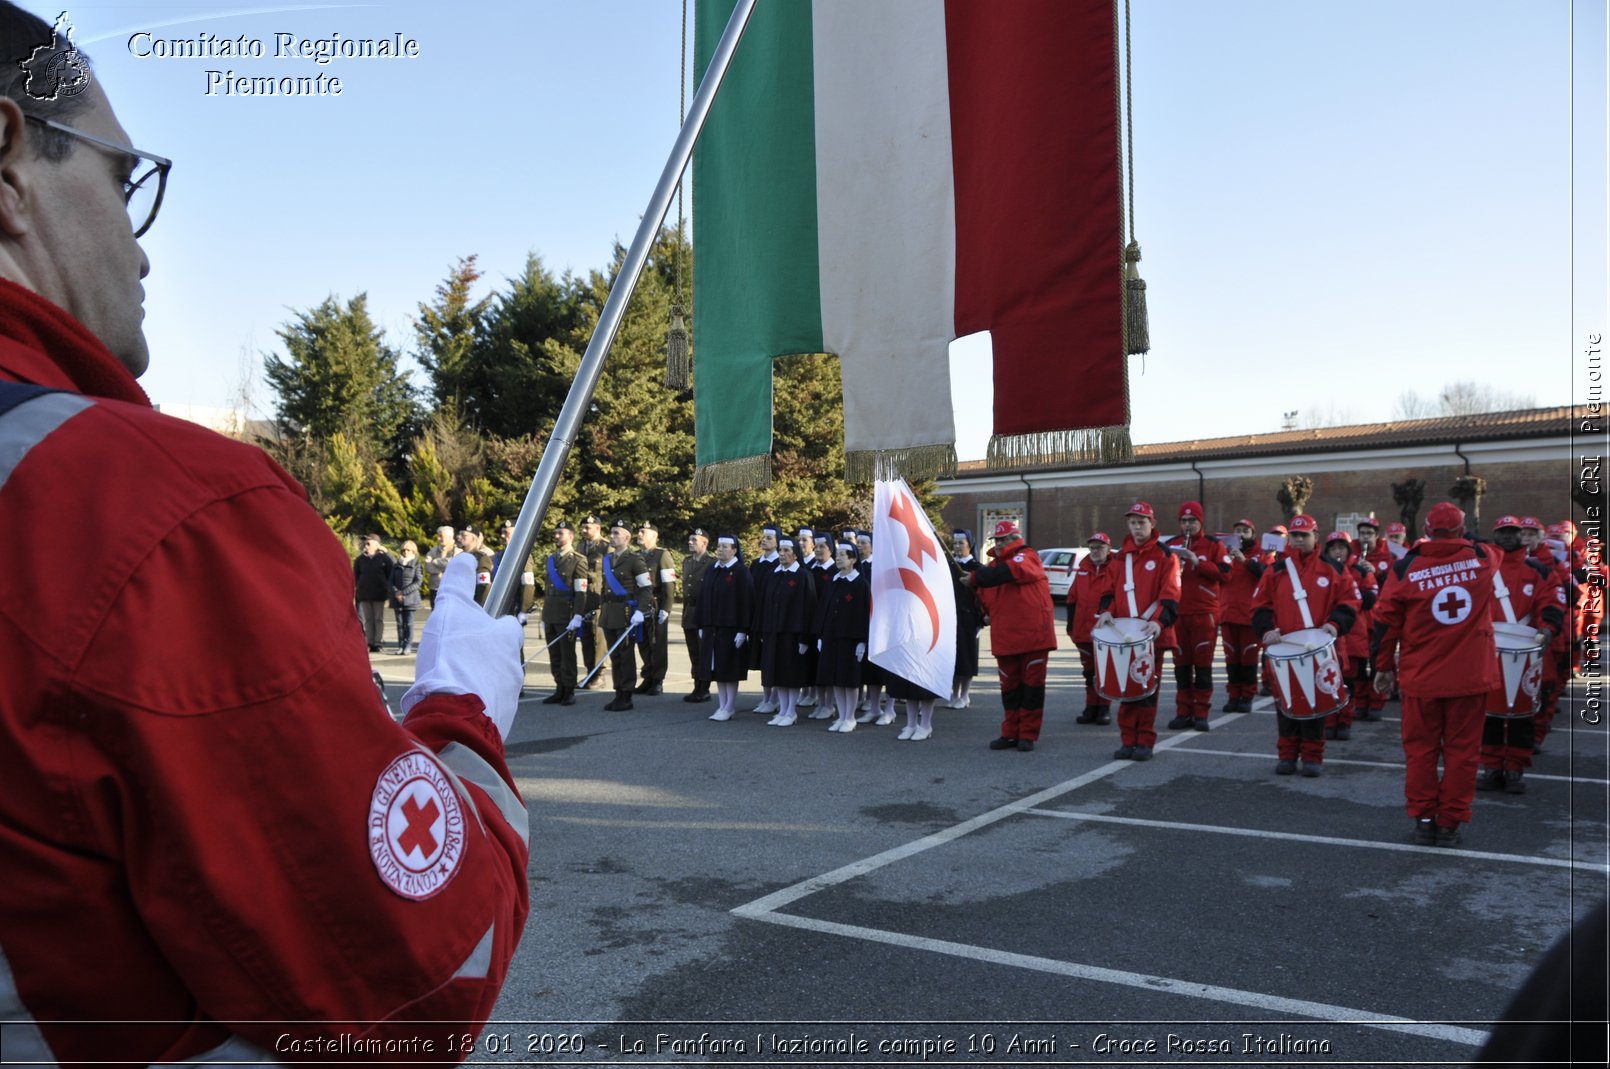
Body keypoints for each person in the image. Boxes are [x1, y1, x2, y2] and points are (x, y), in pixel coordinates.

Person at [0, 11, 528, 1059]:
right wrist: (463, 713)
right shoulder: (153, 514)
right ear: (9, 161)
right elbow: (419, 984)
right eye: (121, 180)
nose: (140, 247)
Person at [1372, 501, 1503, 846]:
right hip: (1470, 677)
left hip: (1421, 679)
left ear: (1426, 531)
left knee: (1421, 751)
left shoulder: (1404, 569)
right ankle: (1450, 824)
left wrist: (1383, 667)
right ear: (1461, 531)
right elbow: (1483, 543)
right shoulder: (1483, 559)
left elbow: (1385, 623)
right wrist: (1458, 539)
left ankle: (1424, 818)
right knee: (1463, 752)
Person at [1250, 515, 1359, 777]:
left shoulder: (1332, 568)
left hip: (1318, 650)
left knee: (1316, 705)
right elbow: (1259, 605)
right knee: (1286, 704)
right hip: (1284, 650)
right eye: (1295, 536)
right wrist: (1266, 630)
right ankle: (1287, 755)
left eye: (1304, 535)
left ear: (1315, 537)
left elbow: (1350, 602)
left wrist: (1335, 624)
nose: (1299, 540)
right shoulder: (1276, 570)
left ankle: (1312, 756)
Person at [1476, 515, 1564, 794]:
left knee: (1522, 716)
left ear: (1522, 537)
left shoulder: (1539, 571)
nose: (1507, 537)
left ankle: (1514, 770)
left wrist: (1549, 629)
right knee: (1488, 715)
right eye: (1502, 532)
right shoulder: (1482, 569)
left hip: (1527, 650)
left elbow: (1552, 603)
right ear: (1495, 535)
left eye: (1513, 532)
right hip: (1489, 650)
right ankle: (1491, 768)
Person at [1095, 502, 1182, 761]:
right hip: (1123, 636)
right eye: (1133, 522)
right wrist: (1107, 611)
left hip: (1150, 634)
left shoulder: (1165, 556)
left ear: (1152, 524)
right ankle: (1127, 741)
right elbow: (1108, 591)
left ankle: (1144, 741)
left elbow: (1171, 594)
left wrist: (1158, 622)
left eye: (1142, 522)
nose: (1137, 527)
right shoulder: (1120, 557)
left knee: (1146, 690)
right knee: (1125, 689)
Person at [964, 520, 1057, 752]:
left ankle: (1027, 734)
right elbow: (986, 600)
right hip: (1006, 637)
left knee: (1032, 688)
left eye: (1004, 539)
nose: (1000, 543)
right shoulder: (993, 569)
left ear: (1016, 538)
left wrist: (976, 578)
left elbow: (1014, 571)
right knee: (1010, 689)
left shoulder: (1026, 557)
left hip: (1033, 636)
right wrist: (982, 607)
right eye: (997, 539)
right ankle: (1010, 732)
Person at [1165, 501, 1228, 731]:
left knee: (1202, 666)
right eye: (1184, 521)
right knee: (1181, 665)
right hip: (1179, 613)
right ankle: (1183, 712)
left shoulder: (1214, 545)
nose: (1187, 525)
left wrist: (1197, 562)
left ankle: (1201, 712)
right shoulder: (1171, 544)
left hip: (1204, 613)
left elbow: (1225, 574)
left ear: (1200, 522)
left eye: (1192, 521)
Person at [1321, 529, 1375, 741]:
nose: (1337, 552)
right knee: (1327, 681)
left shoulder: (1360, 571)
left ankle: (1344, 721)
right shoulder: (1322, 571)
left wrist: (1351, 593)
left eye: (1341, 547)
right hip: (1328, 636)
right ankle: (1330, 720)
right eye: (1333, 548)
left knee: (1348, 683)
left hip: (1353, 635)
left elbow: (1371, 599)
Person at [758, 537, 816, 726]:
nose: (782, 554)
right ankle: (782, 709)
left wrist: (804, 638)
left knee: (791, 675)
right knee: (778, 674)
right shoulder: (774, 575)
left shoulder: (803, 575)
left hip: (793, 634)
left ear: (795, 553)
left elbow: (808, 608)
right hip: (774, 632)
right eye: (780, 550)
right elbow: (766, 605)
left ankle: (791, 711)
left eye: (786, 551)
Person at [597, 519, 654, 712]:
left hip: (626, 614)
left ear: (627, 537)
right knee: (615, 655)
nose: (611, 536)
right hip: (609, 613)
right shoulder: (607, 559)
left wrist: (640, 611)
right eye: (611, 532)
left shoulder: (634, 559)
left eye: (616, 533)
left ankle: (626, 694)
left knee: (626, 655)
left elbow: (646, 589)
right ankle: (618, 692)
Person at [698, 534, 755, 721]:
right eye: (719, 545)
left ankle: (729, 706)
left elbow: (746, 602)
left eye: (725, 546)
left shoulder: (740, 571)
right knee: (717, 670)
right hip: (712, 627)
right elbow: (703, 598)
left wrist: (743, 630)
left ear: (734, 550)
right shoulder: (712, 570)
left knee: (729, 670)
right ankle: (722, 705)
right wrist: (702, 623)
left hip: (731, 628)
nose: (720, 549)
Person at [816, 541, 871, 732]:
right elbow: (825, 609)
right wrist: (821, 635)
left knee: (850, 679)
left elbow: (865, 614)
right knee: (835, 678)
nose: (838, 558)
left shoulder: (861, 584)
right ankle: (841, 715)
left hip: (851, 639)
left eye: (842, 555)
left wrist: (863, 641)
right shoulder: (833, 580)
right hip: (832, 637)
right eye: (837, 555)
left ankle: (850, 717)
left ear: (853, 559)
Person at [1218, 518, 1267, 713]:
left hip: (1248, 616)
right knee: (1231, 660)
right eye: (1237, 530)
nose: (1240, 534)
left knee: (1248, 659)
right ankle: (1233, 695)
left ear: (1253, 535)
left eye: (1244, 531)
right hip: (1228, 614)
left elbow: (1265, 575)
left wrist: (1244, 561)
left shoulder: (1261, 555)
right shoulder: (1225, 554)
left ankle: (1247, 695)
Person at [1065, 531, 1114, 724]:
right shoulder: (1083, 568)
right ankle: (1091, 706)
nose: (1095, 551)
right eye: (1092, 547)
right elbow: (1072, 598)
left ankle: (1104, 707)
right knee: (1089, 672)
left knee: (1105, 670)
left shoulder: (1115, 568)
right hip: (1083, 631)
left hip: (1106, 631)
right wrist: (1070, 626)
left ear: (1108, 548)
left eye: (1099, 547)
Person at [540, 521, 589, 706]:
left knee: (567, 654)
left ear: (571, 536)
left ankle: (568, 689)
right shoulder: (551, 559)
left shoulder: (578, 559)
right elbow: (547, 589)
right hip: (550, 612)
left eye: (561, 533)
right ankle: (558, 687)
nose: (557, 536)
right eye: (556, 533)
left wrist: (577, 614)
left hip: (566, 613)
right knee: (554, 653)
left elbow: (580, 591)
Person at [635, 521, 676, 696]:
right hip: (639, 604)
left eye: (643, 531)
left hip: (656, 603)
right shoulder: (635, 555)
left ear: (654, 536)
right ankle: (647, 676)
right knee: (643, 642)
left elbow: (669, 584)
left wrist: (666, 608)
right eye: (639, 531)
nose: (639, 534)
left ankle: (657, 679)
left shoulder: (662, 555)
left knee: (656, 643)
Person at [748, 522, 782, 713]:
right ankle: (766, 696)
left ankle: (774, 699)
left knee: (772, 660)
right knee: (761, 659)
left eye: (769, 538)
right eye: (764, 537)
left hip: (771, 618)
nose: (765, 540)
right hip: (757, 617)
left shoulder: (779, 564)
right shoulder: (756, 564)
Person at [949, 528, 984, 709]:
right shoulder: (949, 566)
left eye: (961, 543)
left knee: (967, 657)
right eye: (954, 543)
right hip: (952, 618)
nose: (957, 546)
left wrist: (981, 620)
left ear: (970, 545)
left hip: (969, 618)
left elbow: (983, 596)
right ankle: (954, 693)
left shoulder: (976, 569)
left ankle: (965, 695)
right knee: (954, 657)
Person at [680, 527, 714, 703]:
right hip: (689, 613)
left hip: (703, 613)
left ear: (705, 543)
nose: (690, 542)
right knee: (693, 653)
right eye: (690, 539)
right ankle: (696, 685)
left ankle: (704, 687)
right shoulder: (687, 562)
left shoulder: (711, 563)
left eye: (694, 540)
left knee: (703, 652)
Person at [577, 514, 609, 687]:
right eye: (582, 527)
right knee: (586, 637)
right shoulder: (581, 545)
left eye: (587, 528)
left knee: (598, 637)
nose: (584, 530)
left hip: (598, 597)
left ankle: (600, 674)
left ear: (597, 528)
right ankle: (590, 672)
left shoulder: (606, 547)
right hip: (583, 598)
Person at [353, 533, 395, 652]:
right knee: (368, 619)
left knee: (378, 619)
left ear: (377, 544)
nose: (366, 545)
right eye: (365, 543)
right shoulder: (360, 559)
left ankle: (378, 642)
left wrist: (387, 552)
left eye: (368, 542)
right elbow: (355, 577)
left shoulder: (384, 558)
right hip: (365, 594)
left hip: (379, 594)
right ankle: (370, 642)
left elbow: (392, 572)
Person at [389, 538, 424, 655]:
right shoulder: (396, 565)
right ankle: (401, 646)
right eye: (403, 550)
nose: (405, 552)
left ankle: (408, 645)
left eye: (408, 550)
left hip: (411, 599)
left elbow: (418, 582)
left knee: (409, 623)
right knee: (399, 624)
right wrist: (396, 592)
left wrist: (403, 593)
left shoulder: (417, 564)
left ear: (414, 551)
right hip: (396, 598)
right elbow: (391, 581)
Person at [456, 523, 496, 607]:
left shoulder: (481, 558)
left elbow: (484, 586)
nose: (459, 537)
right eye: (459, 534)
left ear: (473, 538)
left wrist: (480, 608)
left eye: (464, 535)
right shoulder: (458, 557)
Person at [423, 524, 458, 607]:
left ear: (450, 537)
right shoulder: (433, 551)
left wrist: (435, 561)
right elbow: (428, 566)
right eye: (438, 536)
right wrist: (442, 569)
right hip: (435, 588)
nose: (439, 539)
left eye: (441, 536)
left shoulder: (457, 550)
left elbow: (451, 564)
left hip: (451, 590)